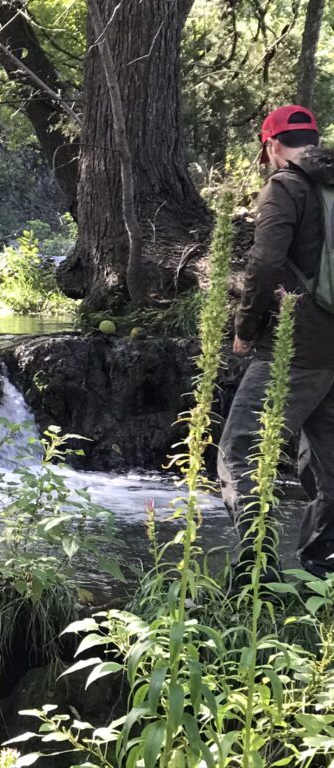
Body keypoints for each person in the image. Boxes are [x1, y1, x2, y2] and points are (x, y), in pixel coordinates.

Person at [218, 104, 334, 579]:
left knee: (241, 450)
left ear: (270, 145)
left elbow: (265, 264)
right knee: (329, 466)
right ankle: (319, 576)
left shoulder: (284, 186)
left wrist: (246, 329)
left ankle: (256, 575)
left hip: (298, 344)